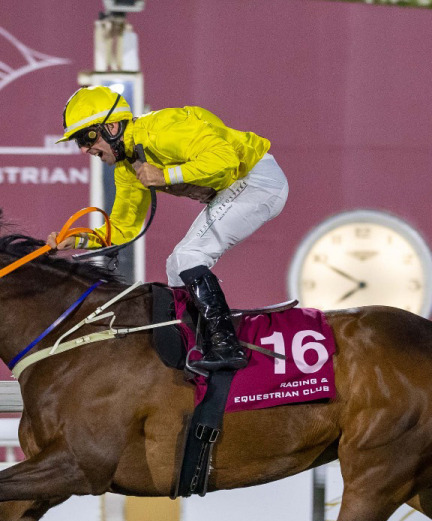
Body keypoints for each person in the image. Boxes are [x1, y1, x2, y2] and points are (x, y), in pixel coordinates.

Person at [51, 85, 289, 372]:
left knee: (188, 256)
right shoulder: (127, 170)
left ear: (112, 126)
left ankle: (226, 346)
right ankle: (197, 345)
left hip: (258, 181)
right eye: (78, 142)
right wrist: (75, 240)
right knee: (176, 265)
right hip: (240, 187)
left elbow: (225, 158)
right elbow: (124, 229)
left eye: (86, 137)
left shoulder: (161, 129)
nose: (84, 149)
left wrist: (165, 174)